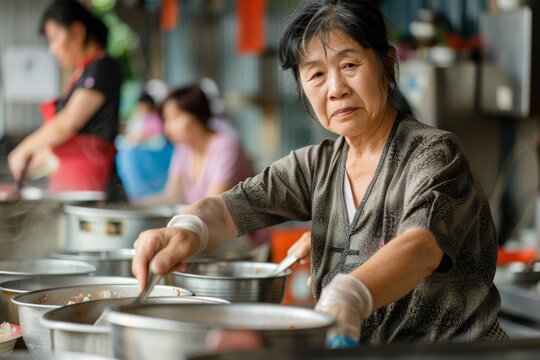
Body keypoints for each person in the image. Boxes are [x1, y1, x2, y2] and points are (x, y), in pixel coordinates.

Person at [132, 0, 506, 347]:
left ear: (387, 66)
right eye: (315, 75)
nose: (335, 89)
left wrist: (348, 294)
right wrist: (185, 230)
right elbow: (231, 207)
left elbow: (422, 246)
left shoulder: (433, 153)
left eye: (350, 65)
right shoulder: (317, 165)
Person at [8, 0, 124, 200]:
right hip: (72, 182)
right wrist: (41, 156)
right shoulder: (81, 74)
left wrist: (23, 149)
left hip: (94, 183)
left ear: (77, 32)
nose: (52, 50)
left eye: (54, 38)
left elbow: (67, 124)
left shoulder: (103, 67)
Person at [134, 84, 253, 206]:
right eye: (166, 120)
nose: (167, 128)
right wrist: (134, 206)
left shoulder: (226, 147)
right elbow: (173, 196)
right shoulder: (184, 148)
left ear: (197, 114)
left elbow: (211, 206)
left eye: (175, 117)